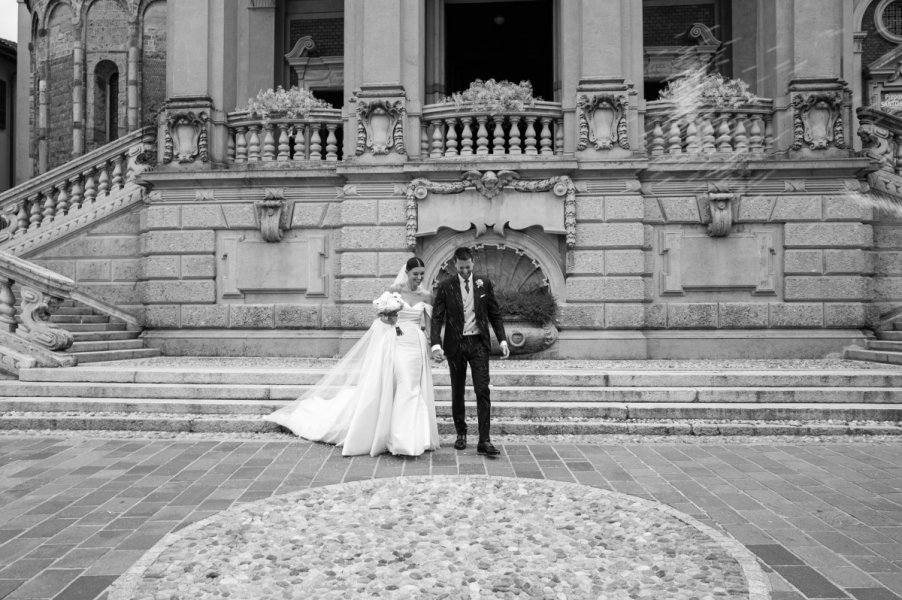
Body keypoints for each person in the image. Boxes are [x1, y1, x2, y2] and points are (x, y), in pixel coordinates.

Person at [265, 257, 440, 457]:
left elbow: (429, 325)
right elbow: (381, 317)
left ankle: (411, 435)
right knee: (405, 384)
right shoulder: (395, 290)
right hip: (397, 342)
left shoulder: (426, 295)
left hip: (415, 344)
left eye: (421, 274)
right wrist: (388, 318)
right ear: (407, 273)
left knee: (412, 387)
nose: (419, 277)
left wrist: (434, 347)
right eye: (415, 273)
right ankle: (402, 440)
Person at [431, 246, 509, 457]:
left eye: (468, 267)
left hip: (478, 344)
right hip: (455, 345)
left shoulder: (484, 283)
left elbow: (495, 313)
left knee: (482, 389)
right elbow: (437, 316)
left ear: (472, 263)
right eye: (461, 267)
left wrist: (502, 339)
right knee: (457, 389)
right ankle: (461, 434)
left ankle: (484, 439)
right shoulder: (446, 286)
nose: (465, 271)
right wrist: (436, 343)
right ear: (455, 264)